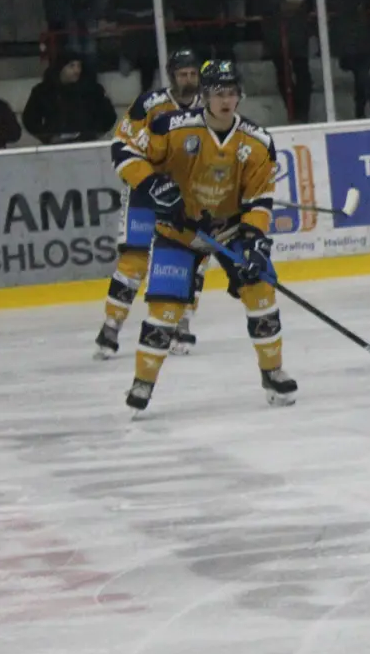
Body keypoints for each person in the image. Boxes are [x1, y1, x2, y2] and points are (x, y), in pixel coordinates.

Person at [113, 60, 295, 413]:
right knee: (164, 309)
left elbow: (259, 198)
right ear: (205, 96)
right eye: (218, 93)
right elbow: (124, 150)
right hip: (177, 231)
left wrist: (256, 239)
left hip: (229, 230)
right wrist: (153, 185)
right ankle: (143, 381)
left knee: (260, 290)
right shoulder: (171, 127)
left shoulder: (258, 142)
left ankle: (272, 372)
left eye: (232, 93)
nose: (226, 100)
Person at [97, 50, 206, 361]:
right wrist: (149, 181)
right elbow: (121, 145)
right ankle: (111, 326)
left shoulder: (209, 107)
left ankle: (180, 323)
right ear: (172, 76)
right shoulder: (149, 105)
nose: (188, 79)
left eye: (193, 73)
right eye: (182, 74)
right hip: (147, 193)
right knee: (134, 261)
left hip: (188, 199)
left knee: (193, 261)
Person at [21, 50, 116, 145]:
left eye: (79, 66)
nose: (76, 70)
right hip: (55, 147)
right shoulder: (43, 90)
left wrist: (92, 134)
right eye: (72, 66)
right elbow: (30, 119)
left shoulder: (93, 89)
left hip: (86, 145)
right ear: (61, 68)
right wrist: (48, 137)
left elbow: (109, 116)